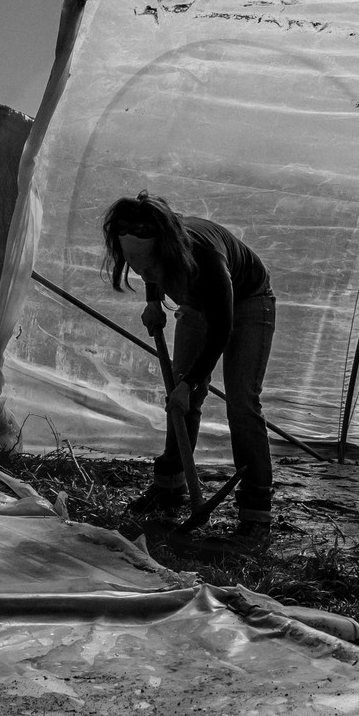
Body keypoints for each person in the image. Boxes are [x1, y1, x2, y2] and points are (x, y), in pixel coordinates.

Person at [102, 193, 275, 545]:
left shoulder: (206, 260)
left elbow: (222, 329)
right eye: (140, 270)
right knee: (181, 395)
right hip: (197, 303)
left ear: (168, 250)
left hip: (247, 303)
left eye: (151, 269)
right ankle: (170, 486)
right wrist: (152, 301)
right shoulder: (151, 244)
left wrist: (192, 382)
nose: (147, 274)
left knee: (241, 404)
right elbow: (150, 266)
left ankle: (256, 515)